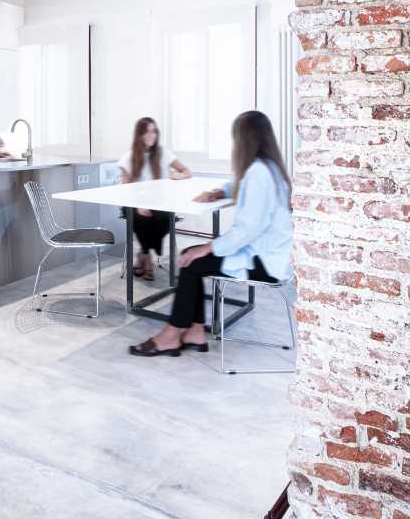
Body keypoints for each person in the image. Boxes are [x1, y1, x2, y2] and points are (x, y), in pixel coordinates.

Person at [129, 110, 293, 356]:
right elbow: (241, 187)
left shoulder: (258, 173)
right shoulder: (268, 168)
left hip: (264, 262)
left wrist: (208, 247)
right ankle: (194, 332)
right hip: (273, 254)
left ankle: (171, 335)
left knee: (190, 260)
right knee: (190, 255)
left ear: (244, 139)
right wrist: (221, 191)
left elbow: (247, 229)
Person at [118, 117, 191, 281]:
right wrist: (138, 205)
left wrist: (178, 175)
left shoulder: (163, 153)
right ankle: (147, 260)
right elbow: (125, 189)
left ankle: (143, 255)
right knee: (142, 218)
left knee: (165, 217)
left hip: (159, 204)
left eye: (154, 131)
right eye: (147, 132)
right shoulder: (129, 157)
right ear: (139, 135)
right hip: (133, 204)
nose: (151, 135)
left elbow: (187, 171)